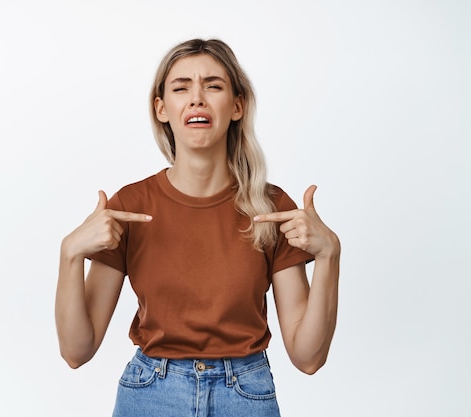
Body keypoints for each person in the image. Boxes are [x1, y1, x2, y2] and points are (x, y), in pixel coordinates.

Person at [55, 38, 340, 417]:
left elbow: (308, 357)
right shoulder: (129, 207)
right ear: (161, 108)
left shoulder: (273, 209)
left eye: (213, 85)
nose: (197, 98)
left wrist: (329, 254)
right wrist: (69, 253)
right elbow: (77, 351)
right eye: (181, 87)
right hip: (150, 394)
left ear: (237, 106)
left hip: (246, 395)